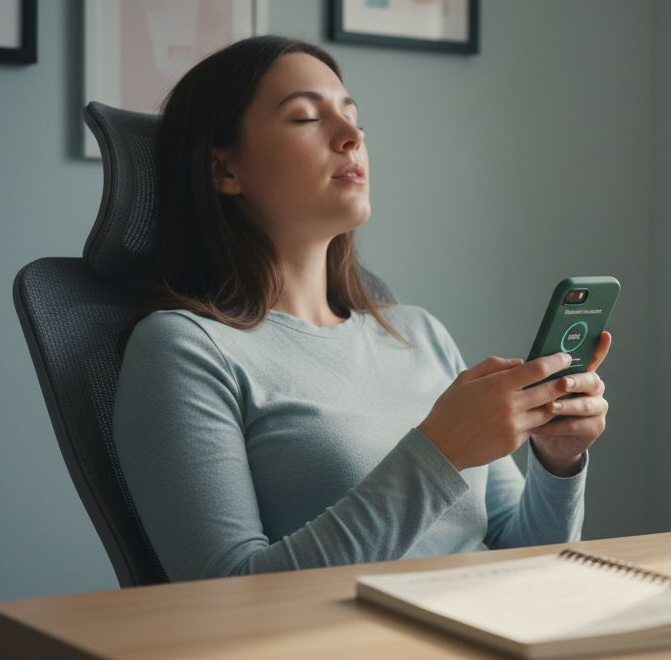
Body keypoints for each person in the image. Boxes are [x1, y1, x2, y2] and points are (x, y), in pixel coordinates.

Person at [112, 36, 611, 582]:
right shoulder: (184, 347)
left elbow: (526, 555)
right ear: (225, 170)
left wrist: (556, 462)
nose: (352, 137)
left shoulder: (418, 334)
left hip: (492, 639)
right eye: (305, 117)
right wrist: (439, 453)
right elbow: (227, 593)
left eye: (353, 117)